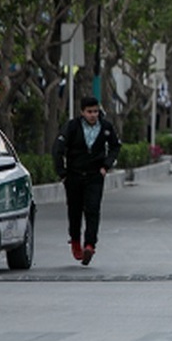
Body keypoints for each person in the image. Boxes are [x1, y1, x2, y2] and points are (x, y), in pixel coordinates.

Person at [52, 96, 119, 266]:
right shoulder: (72, 127)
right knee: (75, 211)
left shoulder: (105, 127)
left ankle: (90, 244)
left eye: (95, 111)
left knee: (93, 209)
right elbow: (58, 149)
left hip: (95, 175)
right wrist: (62, 173)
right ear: (82, 112)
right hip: (74, 176)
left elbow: (115, 146)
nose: (93, 115)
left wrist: (106, 166)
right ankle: (75, 241)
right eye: (89, 112)